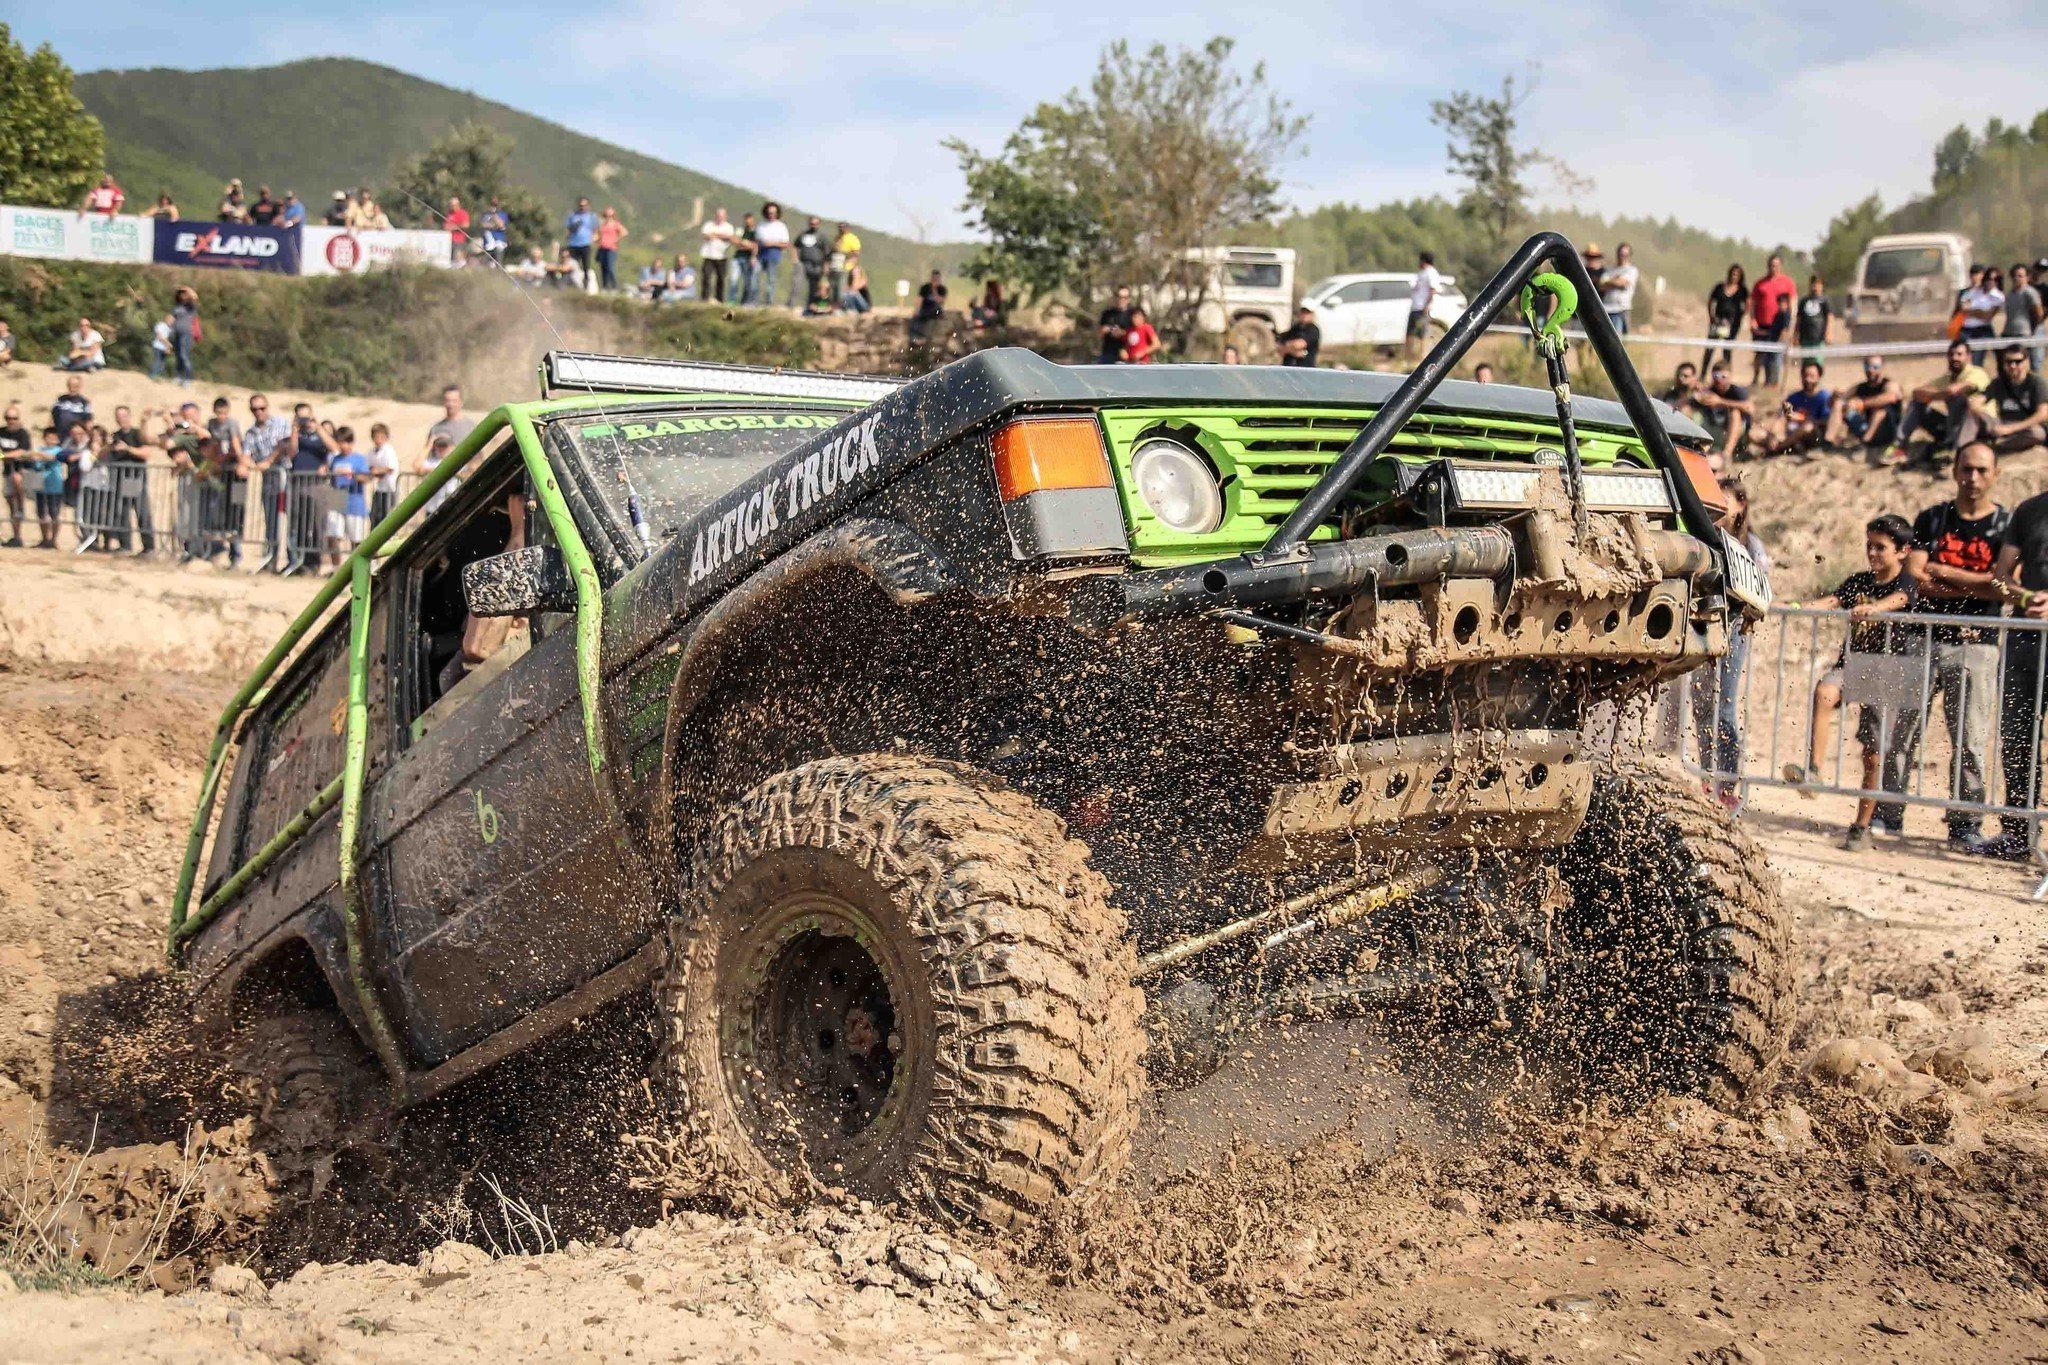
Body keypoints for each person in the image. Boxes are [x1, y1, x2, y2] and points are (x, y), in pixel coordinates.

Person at [1882, 444, 2009, 848]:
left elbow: (2004, 584)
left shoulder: (2005, 524)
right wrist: (1975, 582)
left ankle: (1965, 822)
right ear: (1954, 470)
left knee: (1970, 738)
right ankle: (1889, 812)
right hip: (1925, 637)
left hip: (1978, 643)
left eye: (1981, 470)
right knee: (1902, 731)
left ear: (1995, 473)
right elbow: (1916, 574)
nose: (1972, 477)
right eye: (1966, 468)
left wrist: (1944, 572)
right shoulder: (1933, 517)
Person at [1781, 515, 1917, 848]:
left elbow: (1899, 600)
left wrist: (1876, 609)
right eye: (1869, 545)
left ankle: (1862, 824)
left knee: (1873, 754)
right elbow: (1832, 600)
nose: (1872, 553)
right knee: (1825, 691)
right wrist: (1795, 606)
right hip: (1853, 664)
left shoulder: (1908, 582)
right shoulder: (1859, 581)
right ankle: (1814, 770)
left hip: (1887, 671)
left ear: (1902, 551)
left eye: (1880, 547)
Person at [1691, 474, 1767, 809]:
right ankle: (1709, 774)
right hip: (1701, 625)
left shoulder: (1750, 545)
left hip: (1734, 629)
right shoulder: (1701, 536)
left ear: (1741, 505)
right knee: (1701, 705)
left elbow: (1761, 591)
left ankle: (1728, 780)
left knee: (1724, 706)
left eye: (1726, 501)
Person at [1983, 488, 2048, 861]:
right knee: (2018, 738)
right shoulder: (2029, 510)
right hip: (2026, 642)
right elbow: (2000, 577)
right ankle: (2018, 833)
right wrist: (2026, 598)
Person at [1889, 338, 1988, 466]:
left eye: (1959, 354)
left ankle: (1956, 449)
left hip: (1978, 426)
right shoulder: (1947, 378)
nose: (1955, 358)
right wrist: (1937, 395)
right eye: (1951, 354)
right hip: (1952, 426)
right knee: (1917, 403)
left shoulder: (1976, 373)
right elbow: (1917, 392)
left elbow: (1955, 391)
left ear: (1969, 357)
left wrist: (1933, 395)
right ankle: (1899, 446)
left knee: (1959, 399)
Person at [1969, 344, 2048, 456]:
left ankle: (1997, 447)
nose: (2013, 366)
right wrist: (1975, 405)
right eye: (2009, 362)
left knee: (2037, 434)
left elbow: (2042, 414)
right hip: (2002, 423)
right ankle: (1964, 446)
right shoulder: (1999, 382)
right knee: (1969, 410)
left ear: (2026, 362)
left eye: (2018, 361)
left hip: (2026, 426)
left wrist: (2010, 429)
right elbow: (1981, 398)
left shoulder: (2037, 382)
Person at [242, 392, 293, 568]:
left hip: (286, 474)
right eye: (255, 409)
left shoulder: (280, 424)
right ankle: (271, 556)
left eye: (262, 408)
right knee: (270, 518)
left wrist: (268, 461)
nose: (259, 412)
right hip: (268, 479)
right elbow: (246, 454)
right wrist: (252, 465)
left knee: (291, 517)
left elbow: (284, 445)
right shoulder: (250, 432)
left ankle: (293, 559)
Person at [99, 406, 156, 554]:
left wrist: (128, 449)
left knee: (142, 512)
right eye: (119, 416)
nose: (122, 419)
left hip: (136, 478)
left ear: (129, 416)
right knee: (121, 513)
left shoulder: (137, 434)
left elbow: (147, 453)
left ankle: (149, 547)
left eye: (124, 415)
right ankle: (125, 545)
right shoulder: (115, 435)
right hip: (119, 479)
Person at [1754, 358, 1832, 457]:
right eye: (1805, 376)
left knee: (1808, 427)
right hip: (1789, 432)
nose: (1807, 379)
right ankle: (1779, 446)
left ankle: (1780, 447)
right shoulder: (1794, 397)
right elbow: (1782, 418)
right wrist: (1772, 435)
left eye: (1811, 376)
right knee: (1755, 433)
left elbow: (1826, 422)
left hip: (1811, 435)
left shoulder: (1824, 397)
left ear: (1819, 377)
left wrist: (1802, 419)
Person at [1828, 356, 1903, 455]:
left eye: (1875, 367)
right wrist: (1835, 397)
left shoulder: (1890, 384)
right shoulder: (1860, 387)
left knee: (1880, 410)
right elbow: (1837, 401)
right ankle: (1827, 441)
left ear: (1882, 368)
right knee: (1839, 404)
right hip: (1866, 427)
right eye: (1867, 366)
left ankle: (1865, 443)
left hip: (1888, 432)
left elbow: (1891, 397)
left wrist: (1861, 404)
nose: (1871, 370)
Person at [323, 426, 371, 570]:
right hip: (337, 499)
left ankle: (358, 569)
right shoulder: (335, 459)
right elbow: (331, 479)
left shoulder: (359, 459)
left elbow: (367, 477)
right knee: (333, 535)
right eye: (340, 442)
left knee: (356, 539)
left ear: (351, 442)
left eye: (345, 442)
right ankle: (336, 568)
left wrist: (353, 475)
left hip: (354, 501)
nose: (342, 446)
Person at [1749, 254, 1797, 387]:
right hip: (1761, 325)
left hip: (1779, 326)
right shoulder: (1760, 283)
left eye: (1776, 265)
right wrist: (1752, 319)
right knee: (1760, 354)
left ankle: (1774, 381)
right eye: (1771, 265)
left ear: (1780, 266)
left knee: (1776, 356)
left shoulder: (1788, 282)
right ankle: (1756, 379)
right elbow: (1752, 303)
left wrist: (1790, 326)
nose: (1773, 268)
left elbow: (1793, 304)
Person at [1692, 362, 1752, 468]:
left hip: (1738, 431)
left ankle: (1727, 454)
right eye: (1716, 376)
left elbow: (1749, 407)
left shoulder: (1736, 391)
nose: (1719, 379)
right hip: (1716, 428)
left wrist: (1721, 401)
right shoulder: (1710, 391)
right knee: (1694, 414)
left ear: (1730, 376)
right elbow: (1694, 402)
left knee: (1735, 413)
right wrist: (1696, 391)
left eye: (1723, 376)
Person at [28, 426, 68, 549]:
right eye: (48, 437)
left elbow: (52, 457)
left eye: (53, 438)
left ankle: (53, 540)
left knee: (54, 514)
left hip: (55, 488)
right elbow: (35, 462)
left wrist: (37, 455)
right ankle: (45, 538)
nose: (50, 440)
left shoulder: (58, 450)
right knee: (41, 514)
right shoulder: (40, 449)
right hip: (41, 486)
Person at [1705, 264, 1748, 372]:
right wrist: (1712, 317)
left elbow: (1748, 304)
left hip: (1732, 325)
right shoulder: (1720, 287)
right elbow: (1711, 301)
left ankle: (1726, 374)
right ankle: (1703, 374)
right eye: (1733, 274)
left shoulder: (1742, 290)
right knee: (1710, 348)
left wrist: (1740, 316)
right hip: (1717, 322)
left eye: (1737, 275)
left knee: (1727, 350)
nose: (1734, 276)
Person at [0, 401, 31, 547]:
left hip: (20, 470)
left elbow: (23, 451)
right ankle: (16, 536)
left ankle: (22, 506)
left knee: (17, 481)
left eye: (14, 418)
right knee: (10, 503)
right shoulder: (2, 432)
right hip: (6, 471)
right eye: (8, 418)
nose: (11, 421)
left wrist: (4, 456)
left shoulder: (22, 433)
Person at [1959, 266, 2004, 363]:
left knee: (1979, 358)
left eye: (1995, 279)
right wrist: (1979, 312)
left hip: (1983, 330)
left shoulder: (1998, 296)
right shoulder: (1974, 291)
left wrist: (1973, 311)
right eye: (1989, 278)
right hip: (1967, 329)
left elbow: (1987, 317)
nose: (1991, 281)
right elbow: (1964, 308)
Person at [2007, 261, 2046, 374]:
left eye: (2020, 276)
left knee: (2026, 366)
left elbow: (2039, 314)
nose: (2017, 278)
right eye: (2014, 276)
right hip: (2010, 333)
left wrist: (2032, 329)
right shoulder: (2011, 293)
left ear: (2027, 277)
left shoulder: (2030, 292)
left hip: (2024, 334)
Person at [1406, 251, 1442, 362]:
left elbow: (1433, 290)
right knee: (1411, 334)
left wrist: (1427, 305)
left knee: (1422, 334)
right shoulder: (1422, 273)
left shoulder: (1431, 273)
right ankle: (1410, 358)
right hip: (1416, 307)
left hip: (1422, 308)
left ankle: (1422, 358)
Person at [754, 203, 789, 308]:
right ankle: (753, 301)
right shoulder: (761, 225)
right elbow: (756, 242)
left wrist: (771, 243)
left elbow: (785, 244)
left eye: (773, 213)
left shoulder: (781, 226)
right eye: (769, 213)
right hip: (760, 255)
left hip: (773, 255)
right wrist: (753, 256)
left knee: (771, 280)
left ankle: (769, 303)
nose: (771, 215)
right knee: (754, 279)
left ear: (777, 213)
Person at [1599, 242, 1639, 334]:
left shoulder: (1631, 270)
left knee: (1617, 341)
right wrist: (1615, 281)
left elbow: (1622, 283)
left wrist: (1611, 282)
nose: (1623, 257)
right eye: (1621, 254)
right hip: (1606, 309)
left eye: (1625, 255)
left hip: (1621, 310)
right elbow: (1602, 285)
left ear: (1629, 256)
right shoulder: (1609, 270)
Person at [1792, 274, 1832, 364]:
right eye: (1813, 284)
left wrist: (1828, 333)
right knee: (1806, 363)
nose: (1815, 287)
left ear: (1822, 286)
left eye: (1818, 284)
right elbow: (1799, 319)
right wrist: (1795, 335)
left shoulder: (1825, 301)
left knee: (1817, 363)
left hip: (1818, 338)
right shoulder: (1804, 301)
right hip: (1805, 338)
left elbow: (1829, 317)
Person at [794, 216, 831, 313]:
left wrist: (826, 266)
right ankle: (793, 304)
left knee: (815, 288)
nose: (813, 225)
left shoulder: (822, 237)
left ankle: (811, 307)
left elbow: (827, 253)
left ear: (818, 224)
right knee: (798, 284)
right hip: (804, 263)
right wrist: (796, 259)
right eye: (811, 223)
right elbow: (795, 246)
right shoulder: (803, 235)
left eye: (815, 224)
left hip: (817, 265)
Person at [367, 422, 401, 524]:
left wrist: (376, 471)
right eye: (376, 437)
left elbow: (390, 467)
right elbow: (369, 466)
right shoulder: (372, 451)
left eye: (381, 437)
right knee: (375, 515)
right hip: (379, 488)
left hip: (390, 488)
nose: (378, 440)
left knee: (387, 517)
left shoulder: (388, 450)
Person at [700, 207, 734, 304]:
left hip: (721, 256)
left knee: (721, 278)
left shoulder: (729, 227)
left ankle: (719, 299)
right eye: (718, 215)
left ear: (725, 216)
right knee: (706, 277)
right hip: (708, 255)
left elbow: (729, 237)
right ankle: (704, 298)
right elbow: (704, 235)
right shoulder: (709, 224)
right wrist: (720, 235)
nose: (720, 217)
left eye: (722, 215)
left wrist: (715, 235)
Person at [563, 197, 598, 287]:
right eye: (580, 205)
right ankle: (571, 284)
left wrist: (593, 238)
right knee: (572, 265)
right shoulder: (572, 215)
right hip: (573, 244)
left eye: (584, 205)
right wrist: (567, 237)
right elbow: (567, 228)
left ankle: (586, 284)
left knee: (586, 266)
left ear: (588, 206)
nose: (582, 207)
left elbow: (596, 230)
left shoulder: (591, 216)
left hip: (585, 244)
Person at [1097, 286, 1135, 363]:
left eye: (1125, 297)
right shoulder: (1107, 313)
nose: (1122, 300)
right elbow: (1099, 333)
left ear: (1129, 299)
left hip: (1128, 355)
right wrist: (1108, 329)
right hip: (1108, 354)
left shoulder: (1133, 315)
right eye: (1119, 297)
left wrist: (1122, 333)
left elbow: (1138, 333)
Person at [1277, 303, 1321, 368]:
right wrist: (1293, 350)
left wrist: (1287, 348)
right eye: (1303, 312)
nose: (1304, 315)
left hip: (1305, 368)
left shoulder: (1313, 330)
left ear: (1312, 315)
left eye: (1307, 313)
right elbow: (1279, 347)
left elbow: (1299, 344)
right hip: (1288, 367)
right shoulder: (1295, 328)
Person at [594, 206, 627, 292]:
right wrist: (596, 239)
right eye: (607, 215)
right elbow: (596, 234)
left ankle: (613, 287)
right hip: (602, 247)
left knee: (610, 267)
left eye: (610, 215)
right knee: (603, 268)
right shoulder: (602, 225)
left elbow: (624, 232)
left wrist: (616, 240)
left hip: (611, 248)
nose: (608, 216)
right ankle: (604, 287)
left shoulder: (616, 224)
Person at [52, 374, 91, 443]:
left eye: (75, 386)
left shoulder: (84, 402)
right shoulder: (60, 399)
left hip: (75, 438)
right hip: (59, 436)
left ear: (79, 387)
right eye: (70, 385)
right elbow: (52, 418)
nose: (72, 388)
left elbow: (88, 422)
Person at [911, 269, 948, 342]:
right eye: (934, 278)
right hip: (925, 309)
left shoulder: (942, 289)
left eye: (937, 278)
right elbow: (919, 299)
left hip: (936, 309)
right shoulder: (925, 287)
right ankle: (916, 337)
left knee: (936, 309)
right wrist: (916, 310)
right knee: (916, 319)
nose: (935, 280)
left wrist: (934, 290)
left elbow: (940, 300)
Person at [733, 212, 760, 305]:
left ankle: (746, 302)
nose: (748, 222)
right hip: (738, 257)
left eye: (750, 220)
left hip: (749, 259)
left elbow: (755, 246)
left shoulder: (756, 232)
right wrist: (745, 243)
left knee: (748, 282)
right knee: (734, 280)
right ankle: (732, 301)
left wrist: (746, 245)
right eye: (746, 220)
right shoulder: (741, 230)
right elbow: (735, 241)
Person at [478, 198, 510, 263]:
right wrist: (494, 226)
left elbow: (501, 225)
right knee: (488, 260)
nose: (493, 207)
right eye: (491, 205)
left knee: (498, 255)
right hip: (488, 241)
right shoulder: (485, 215)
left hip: (499, 240)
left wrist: (494, 217)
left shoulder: (502, 214)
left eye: (495, 205)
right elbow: (483, 225)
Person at [445, 196, 472, 266]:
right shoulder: (449, 214)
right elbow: (446, 226)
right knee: (450, 259)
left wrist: (454, 227)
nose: (451, 207)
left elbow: (466, 225)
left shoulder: (462, 213)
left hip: (459, 240)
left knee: (458, 258)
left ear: (457, 205)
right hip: (449, 240)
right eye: (450, 205)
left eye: (453, 205)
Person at [148, 313, 174, 379]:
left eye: (173, 321)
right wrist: (169, 345)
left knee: (162, 363)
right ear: (167, 319)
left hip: (164, 348)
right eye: (171, 320)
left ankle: (157, 375)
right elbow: (160, 337)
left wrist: (168, 348)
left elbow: (167, 338)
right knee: (157, 361)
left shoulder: (169, 329)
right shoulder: (160, 325)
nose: (172, 322)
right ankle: (152, 375)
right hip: (158, 346)